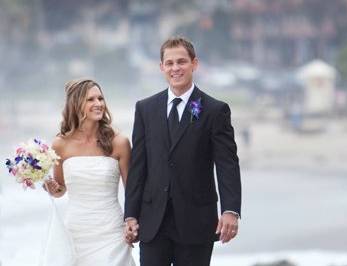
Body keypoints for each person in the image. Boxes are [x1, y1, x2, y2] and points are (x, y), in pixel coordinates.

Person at [124, 37, 242, 266]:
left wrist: (230, 210)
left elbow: (227, 163)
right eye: (169, 63)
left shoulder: (215, 110)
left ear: (194, 64)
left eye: (181, 62)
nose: (175, 68)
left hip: (196, 221)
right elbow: (138, 166)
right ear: (161, 67)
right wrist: (130, 215)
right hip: (153, 221)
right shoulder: (145, 109)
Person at [44, 78, 135, 266]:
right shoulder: (60, 144)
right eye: (91, 100)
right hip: (76, 231)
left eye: (100, 99)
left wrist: (131, 221)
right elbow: (60, 190)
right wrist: (52, 188)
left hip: (111, 231)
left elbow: (132, 190)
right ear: (76, 104)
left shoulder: (120, 142)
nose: (98, 104)